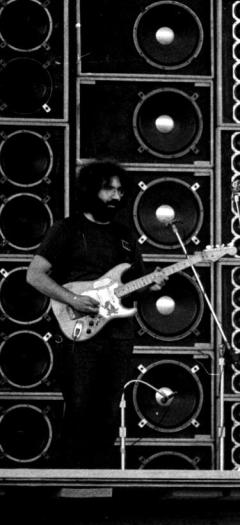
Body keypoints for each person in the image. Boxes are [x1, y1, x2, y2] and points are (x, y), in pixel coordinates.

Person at [26, 161, 162, 468]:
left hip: (118, 335)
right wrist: (72, 298)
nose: (115, 196)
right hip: (79, 333)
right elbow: (35, 275)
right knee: (79, 407)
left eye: (119, 190)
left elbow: (132, 285)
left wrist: (151, 284)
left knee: (109, 411)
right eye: (107, 188)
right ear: (90, 190)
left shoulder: (124, 236)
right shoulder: (67, 230)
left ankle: (100, 482)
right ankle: (71, 482)